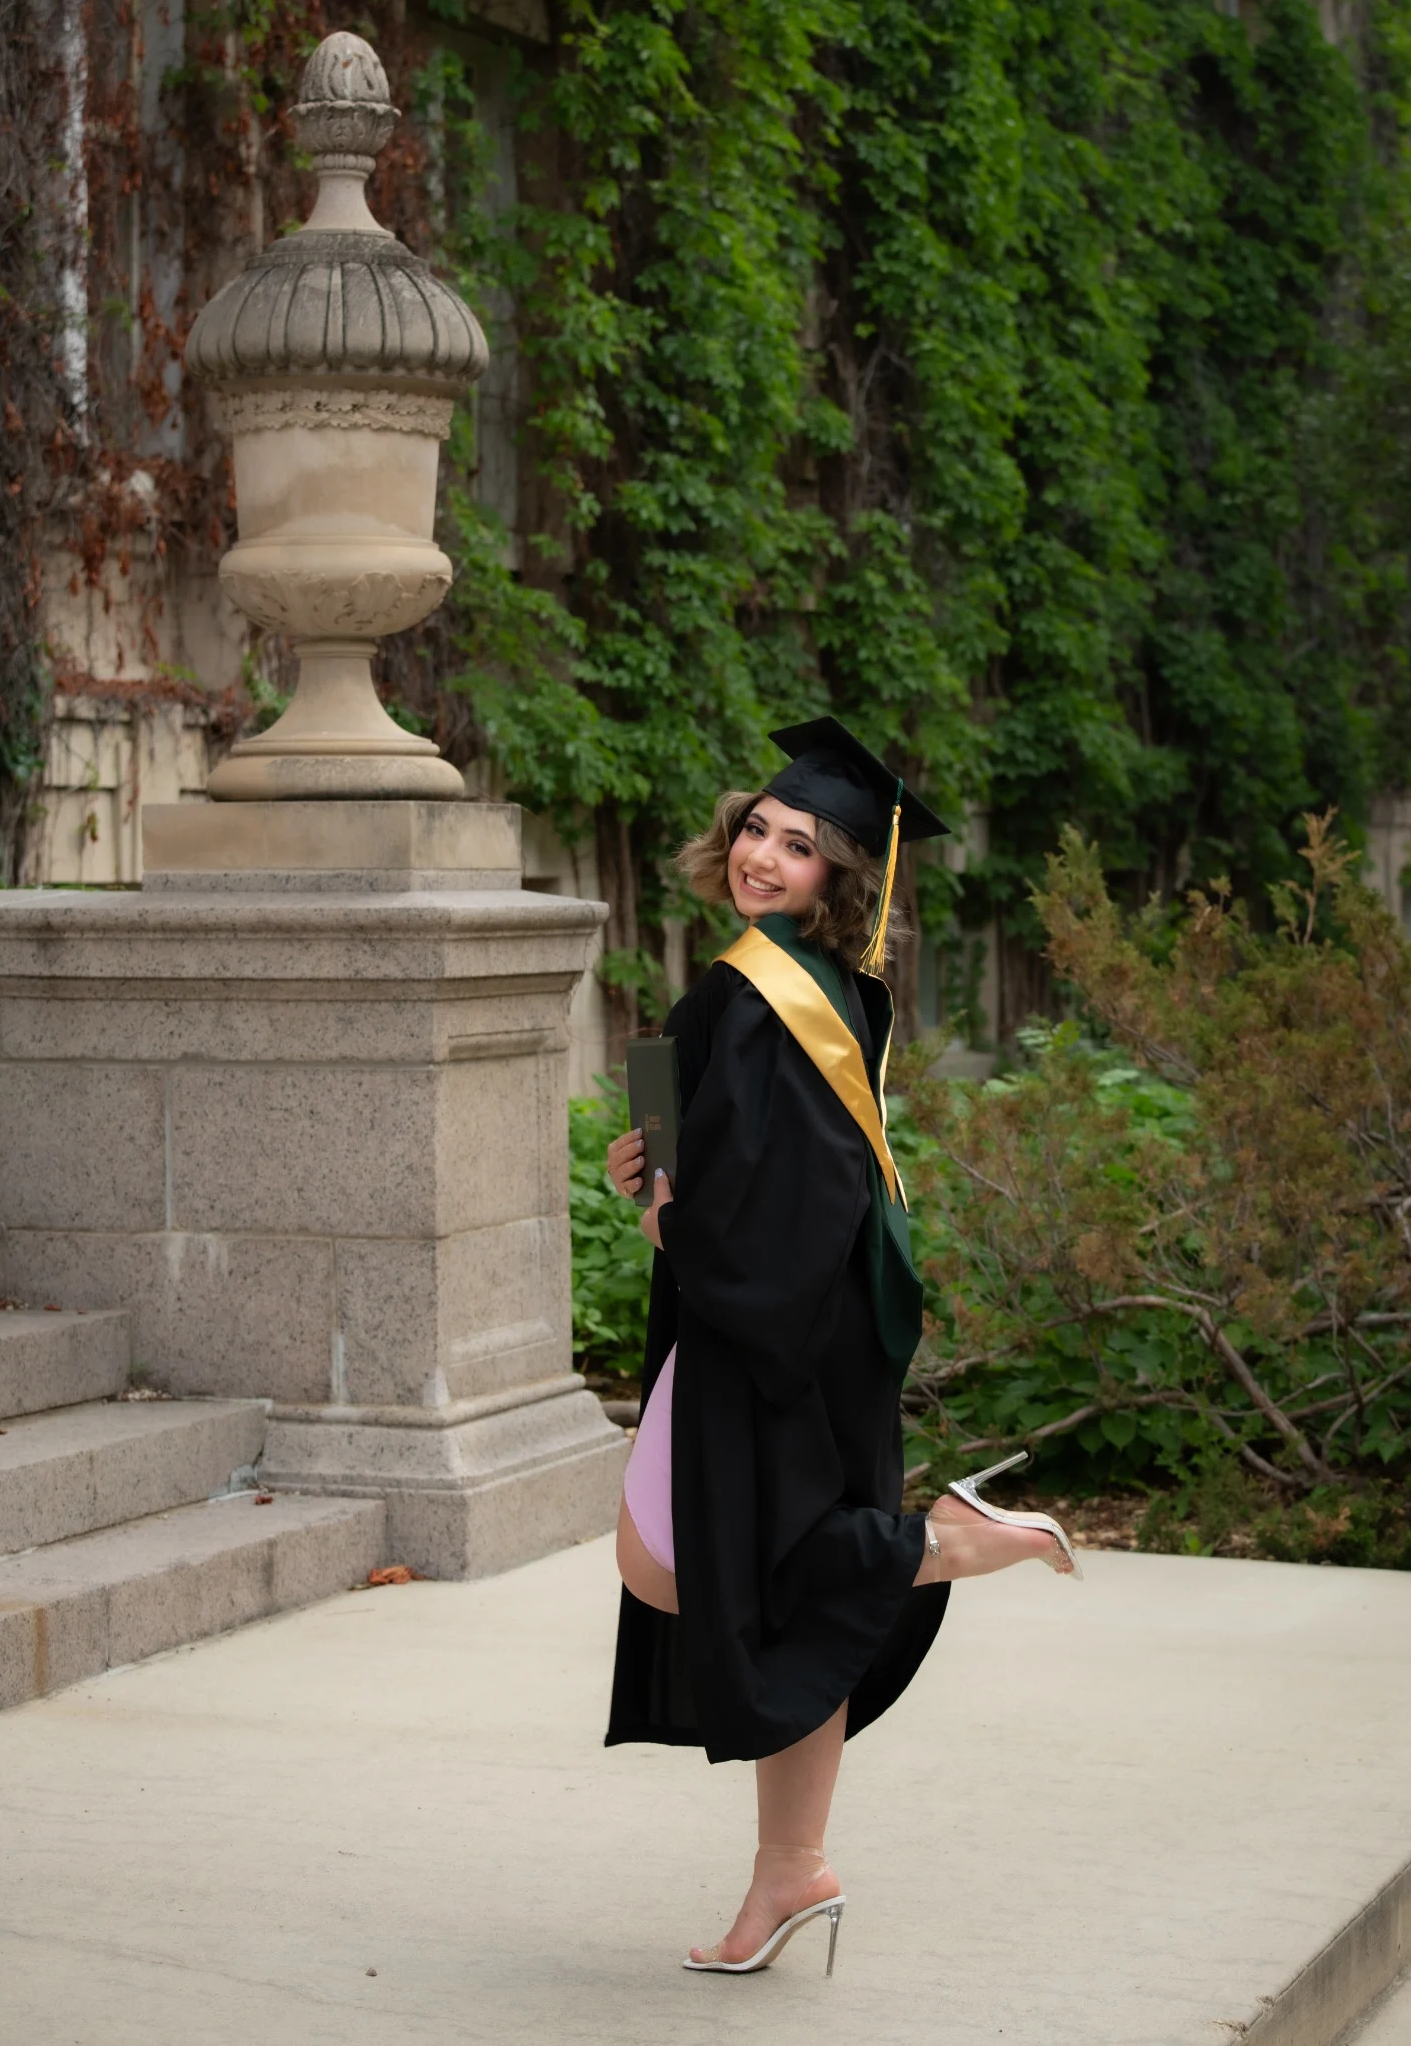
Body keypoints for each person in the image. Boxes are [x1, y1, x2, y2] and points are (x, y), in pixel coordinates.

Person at [603, 718, 1080, 1977]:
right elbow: (756, 1169)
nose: (761, 852)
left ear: (841, 877)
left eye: (797, 843)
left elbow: (790, 1192)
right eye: (756, 826)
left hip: (775, 1336)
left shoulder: (768, 1001)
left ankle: (950, 1541)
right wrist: (651, 1178)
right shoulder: (790, 985)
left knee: (685, 1563)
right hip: (802, 1323)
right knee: (781, 1603)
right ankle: (791, 1871)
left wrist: (669, 1213)